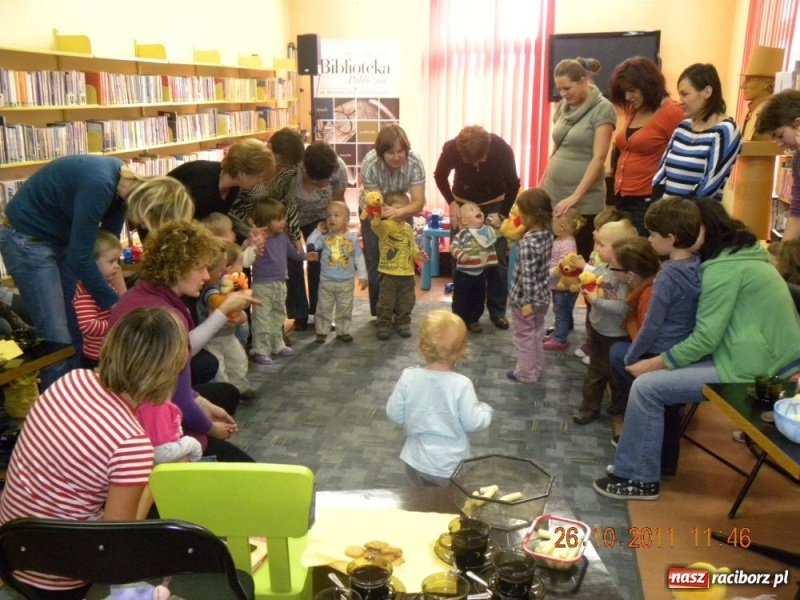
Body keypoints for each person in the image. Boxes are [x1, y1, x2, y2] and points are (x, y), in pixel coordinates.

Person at [593, 200, 800, 500]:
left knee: (647, 386)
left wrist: (652, 364)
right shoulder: (739, 256)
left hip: (755, 367)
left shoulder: (723, 270)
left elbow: (704, 339)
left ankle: (640, 479)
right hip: (754, 355)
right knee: (648, 380)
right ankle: (639, 462)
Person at [0, 307, 188, 598]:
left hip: (12, 551)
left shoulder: (71, 381)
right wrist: (156, 478)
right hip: (61, 578)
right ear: (169, 370)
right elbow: (114, 544)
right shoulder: (130, 443)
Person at [0, 155, 194, 389]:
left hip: (60, 240)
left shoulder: (122, 193)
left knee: (76, 329)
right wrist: (116, 304)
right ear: (148, 207)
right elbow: (80, 257)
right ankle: (57, 410)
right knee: (57, 338)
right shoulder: (100, 185)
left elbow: (103, 251)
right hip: (27, 238)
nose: (141, 226)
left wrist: (118, 295)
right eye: (147, 222)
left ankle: (79, 395)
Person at [109, 220, 257, 463]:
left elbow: (179, 384)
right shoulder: (165, 316)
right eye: (199, 268)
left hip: (138, 407)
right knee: (249, 471)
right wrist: (210, 429)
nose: (206, 275)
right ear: (178, 268)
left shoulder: (143, 293)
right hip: (148, 423)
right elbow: (178, 399)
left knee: (226, 393)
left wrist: (205, 406)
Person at [386, 310, 492, 486]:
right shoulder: (462, 384)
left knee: (416, 504)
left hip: (415, 460)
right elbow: (472, 423)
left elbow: (394, 414)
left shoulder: (408, 377)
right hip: (451, 465)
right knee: (449, 507)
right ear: (462, 350)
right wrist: (485, 411)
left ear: (421, 345)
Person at [433, 125, 520, 329]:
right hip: (462, 203)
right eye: (468, 162)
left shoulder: (501, 148)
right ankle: (462, 313)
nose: (474, 165)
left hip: (495, 202)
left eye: (478, 161)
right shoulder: (452, 148)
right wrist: (452, 203)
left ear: (487, 152)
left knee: (497, 260)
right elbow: (439, 176)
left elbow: (513, 184)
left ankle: (497, 311)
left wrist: (502, 214)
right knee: (460, 259)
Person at [541, 58, 616, 260]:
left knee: (578, 260)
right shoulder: (562, 107)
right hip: (554, 194)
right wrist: (542, 182)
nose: (563, 94)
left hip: (584, 201)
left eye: (568, 88)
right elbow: (556, 148)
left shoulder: (603, 108)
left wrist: (575, 196)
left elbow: (599, 157)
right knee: (555, 260)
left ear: (583, 81)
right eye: (560, 89)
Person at [569, 220, 639, 423]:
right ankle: (589, 407)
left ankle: (619, 403)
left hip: (617, 334)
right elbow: (591, 277)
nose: (596, 247)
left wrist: (596, 301)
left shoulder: (624, 276)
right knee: (595, 372)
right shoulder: (604, 268)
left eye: (601, 244)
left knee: (617, 374)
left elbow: (624, 306)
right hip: (599, 330)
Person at [236, 128, 306, 328]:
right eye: (280, 162)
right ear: (269, 149)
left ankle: (295, 316)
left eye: (287, 165)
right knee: (244, 273)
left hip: (274, 223)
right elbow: (235, 205)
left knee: (292, 260)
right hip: (244, 226)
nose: (282, 168)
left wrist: (294, 235)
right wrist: (247, 231)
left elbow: (289, 202)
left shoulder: (289, 171)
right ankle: (248, 327)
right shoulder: (252, 166)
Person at [608, 56, 685, 235]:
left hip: (648, 200)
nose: (628, 97)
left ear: (648, 85)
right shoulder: (634, 110)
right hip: (623, 197)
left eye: (633, 90)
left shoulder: (672, 112)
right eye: (625, 92)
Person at [360, 124, 427, 317]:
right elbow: (373, 201)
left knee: (404, 259)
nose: (397, 157)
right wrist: (385, 214)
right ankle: (380, 313)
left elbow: (418, 202)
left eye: (401, 151)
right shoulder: (370, 164)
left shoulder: (415, 162)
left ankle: (401, 311)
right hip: (374, 214)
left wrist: (400, 212)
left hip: (402, 210)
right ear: (381, 152)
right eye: (391, 152)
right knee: (376, 261)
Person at [653, 63, 743, 200]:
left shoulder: (725, 131)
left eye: (685, 94)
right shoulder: (682, 127)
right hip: (666, 215)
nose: (680, 101)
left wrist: (681, 213)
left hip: (696, 216)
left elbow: (710, 184)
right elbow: (661, 174)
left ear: (707, 92)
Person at [168, 137, 276, 241]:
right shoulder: (202, 182)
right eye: (259, 177)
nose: (260, 181)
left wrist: (248, 232)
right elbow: (184, 225)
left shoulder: (233, 187)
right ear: (242, 172)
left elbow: (217, 220)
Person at [290, 141, 349, 330]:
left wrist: (335, 226)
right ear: (306, 171)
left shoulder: (338, 169)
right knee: (293, 261)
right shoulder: (293, 170)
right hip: (289, 217)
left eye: (326, 182)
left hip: (319, 218)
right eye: (318, 182)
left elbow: (338, 201)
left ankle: (320, 313)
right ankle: (298, 313)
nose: (323, 185)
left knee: (320, 261)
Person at [249, 198, 308, 364]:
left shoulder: (282, 236)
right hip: (262, 285)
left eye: (284, 218)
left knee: (277, 314)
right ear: (264, 221)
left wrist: (305, 256)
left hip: (281, 283)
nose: (283, 222)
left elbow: (292, 253)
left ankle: (277, 344)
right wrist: (254, 241)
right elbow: (251, 253)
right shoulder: (260, 238)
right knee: (262, 317)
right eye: (278, 219)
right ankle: (260, 348)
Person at [506, 189, 554, 384]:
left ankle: (526, 373)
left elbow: (527, 276)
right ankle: (536, 368)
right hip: (542, 297)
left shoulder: (527, 242)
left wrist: (526, 302)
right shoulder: (548, 236)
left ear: (528, 216)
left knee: (524, 336)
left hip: (526, 300)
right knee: (536, 333)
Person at [306, 200, 368, 344]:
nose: (331, 219)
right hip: (326, 282)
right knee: (323, 308)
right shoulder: (324, 238)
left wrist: (364, 276)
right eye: (328, 216)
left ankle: (343, 331)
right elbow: (311, 245)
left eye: (336, 215)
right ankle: (321, 331)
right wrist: (317, 231)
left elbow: (359, 257)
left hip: (346, 282)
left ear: (346, 220)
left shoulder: (352, 239)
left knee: (345, 309)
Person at [370, 192, 427, 341]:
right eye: (395, 208)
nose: (399, 212)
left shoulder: (408, 227)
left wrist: (418, 254)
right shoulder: (385, 225)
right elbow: (375, 225)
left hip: (407, 273)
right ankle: (383, 323)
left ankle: (402, 322)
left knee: (406, 300)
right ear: (387, 209)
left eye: (404, 209)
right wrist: (377, 215)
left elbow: (411, 246)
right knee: (386, 301)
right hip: (388, 273)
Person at [199, 242, 253, 397]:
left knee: (238, 360)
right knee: (218, 368)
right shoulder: (212, 287)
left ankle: (240, 387)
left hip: (229, 335)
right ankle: (225, 392)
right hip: (212, 339)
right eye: (239, 264)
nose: (242, 268)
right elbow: (213, 299)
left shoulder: (232, 285)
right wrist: (229, 303)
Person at [73, 230, 123, 369]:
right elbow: (87, 325)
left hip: (109, 353)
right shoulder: (86, 292)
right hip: (96, 358)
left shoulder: (108, 285)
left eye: (117, 260)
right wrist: (115, 324)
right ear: (92, 264)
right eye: (111, 261)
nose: (117, 266)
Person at [449, 201, 500, 333]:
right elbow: (453, 246)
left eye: (478, 208)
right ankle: (458, 320)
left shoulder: (486, 231)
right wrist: (460, 254)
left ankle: (473, 320)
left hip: (480, 274)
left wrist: (497, 224)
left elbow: (498, 234)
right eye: (472, 210)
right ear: (464, 221)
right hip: (463, 275)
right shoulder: (462, 234)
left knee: (478, 298)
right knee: (461, 298)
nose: (477, 210)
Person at [757, 89, 800, 241]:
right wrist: (784, 254)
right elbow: (797, 211)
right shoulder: (797, 159)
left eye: (780, 135)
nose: (779, 144)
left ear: (798, 124)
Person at [545, 208, 585, 351]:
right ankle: (557, 333)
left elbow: (564, 266)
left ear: (561, 227)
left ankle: (560, 339)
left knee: (562, 313)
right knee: (558, 310)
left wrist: (546, 273)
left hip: (565, 287)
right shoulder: (561, 240)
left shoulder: (567, 243)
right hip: (558, 286)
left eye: (553, 222)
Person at [739, 46, 785, 141]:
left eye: (748, 80)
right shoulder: (751, 110)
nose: (742, 86)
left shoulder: (771, 113)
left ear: (766, 83)